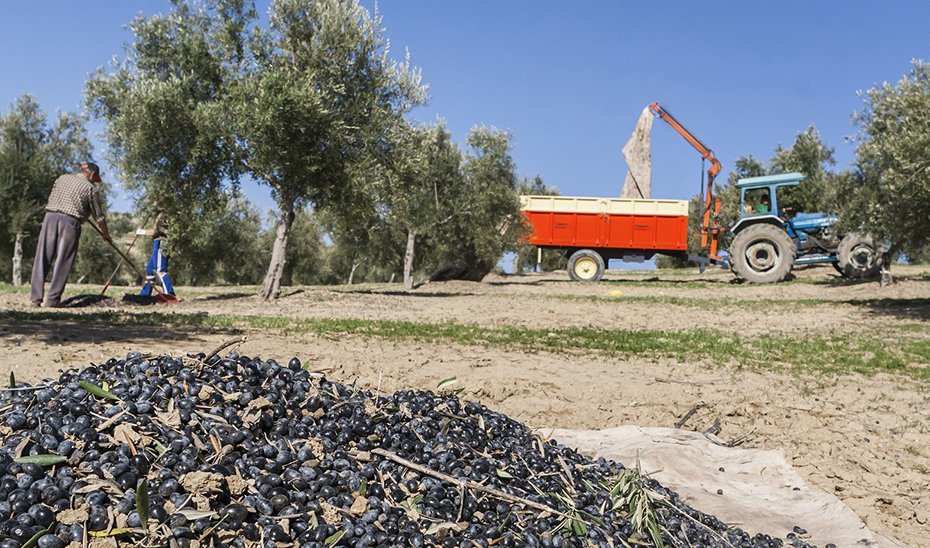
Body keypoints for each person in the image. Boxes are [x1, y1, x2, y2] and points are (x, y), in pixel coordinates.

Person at [30, 162, 111, 307]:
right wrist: (106, 235)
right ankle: (52, 300)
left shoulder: (62, 178)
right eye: (95, 178)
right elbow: (99, 217)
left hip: (50, 218)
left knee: (42, 258)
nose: (95, 182)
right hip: (70, 223)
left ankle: (35, 299)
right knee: (63, 261)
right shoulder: (90, 188)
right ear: (92, 174)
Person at [138, 211, 175, 298]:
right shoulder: (159, 215)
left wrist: (143, 232)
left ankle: (169, 294)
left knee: (160, 270)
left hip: (161, 243)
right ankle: (145, 295)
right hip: (156, 243)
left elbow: (157, 232)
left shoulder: (164, 215)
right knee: (149, 271)